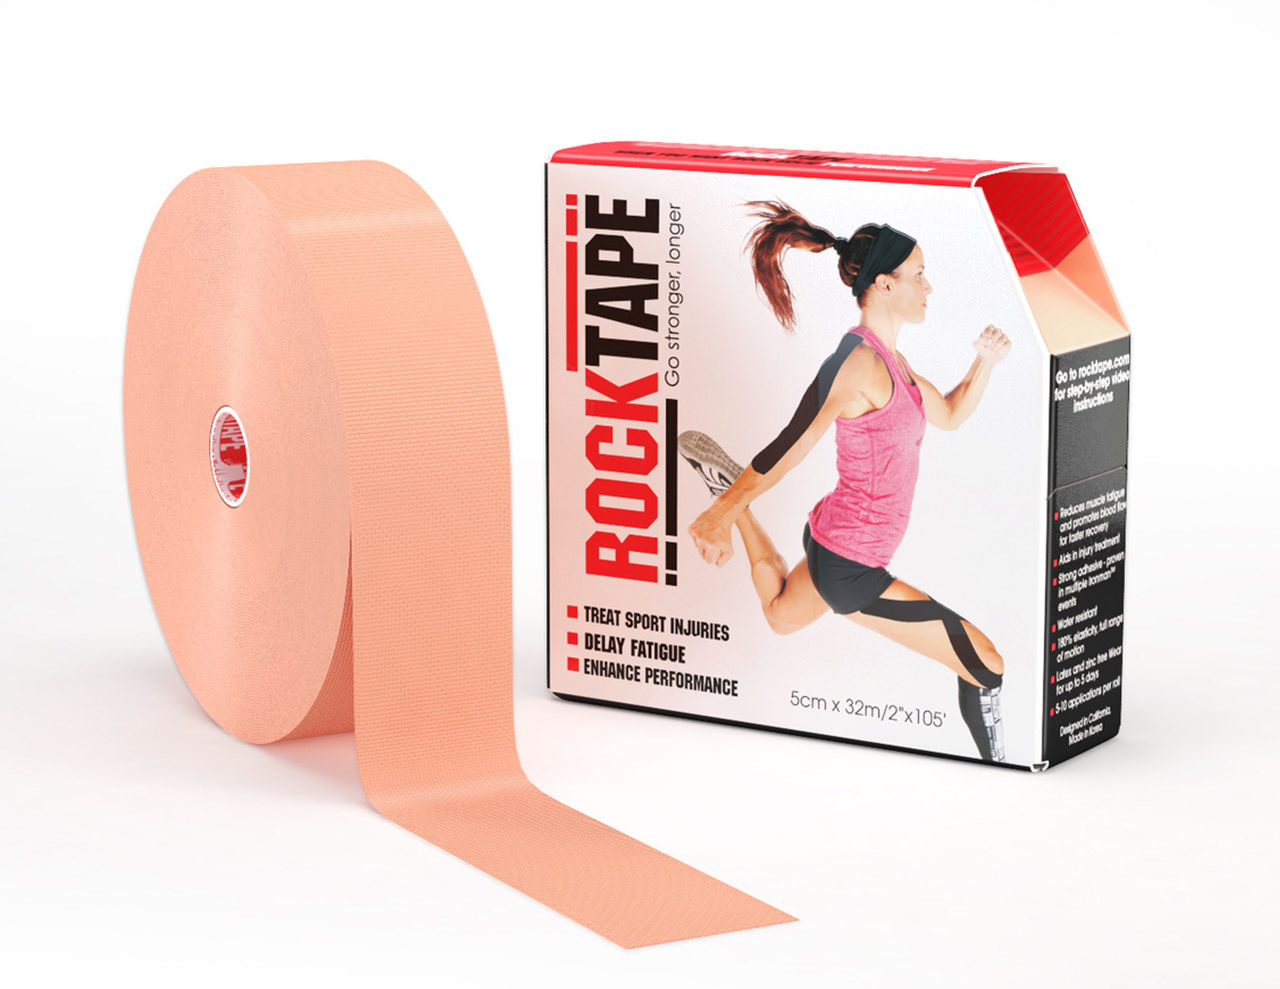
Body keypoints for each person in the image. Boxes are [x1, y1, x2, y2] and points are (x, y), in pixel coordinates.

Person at [679, 201, 1012, 761]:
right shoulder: (857, 364)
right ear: (884, 284)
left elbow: (951, 414)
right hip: (850, 567)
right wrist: (713, 517)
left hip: (832, 537)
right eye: (919, 274)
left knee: (780, 616)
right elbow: (792, 445)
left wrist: (984, 363)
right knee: (985, 663)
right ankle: (1000, 767)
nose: (928, 287)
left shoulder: (895, 363)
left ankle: (739, 509)